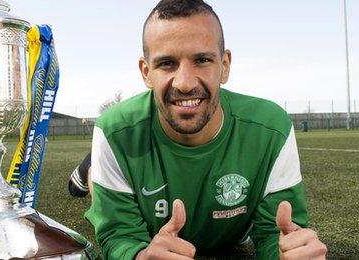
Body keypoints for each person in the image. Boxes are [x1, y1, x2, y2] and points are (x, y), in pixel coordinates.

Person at [83, 0, 328, 259]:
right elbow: (120, 235)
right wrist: (139, 255)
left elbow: (276, 234)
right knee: (94, 183)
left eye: (202, 60)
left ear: (225, 65)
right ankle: (89, 171)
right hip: (120, 153)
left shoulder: (271, 131)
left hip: (230, 235)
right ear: (146, 72)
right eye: (167, 63)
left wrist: (288, 253)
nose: (185, 83)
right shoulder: (114, 131)